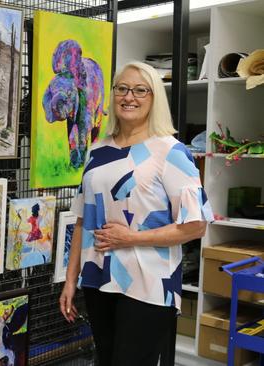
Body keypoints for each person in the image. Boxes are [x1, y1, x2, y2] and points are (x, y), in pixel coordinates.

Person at [59, 61, 213, 366]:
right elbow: (80, 220)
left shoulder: (171, 151)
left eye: (141, 90)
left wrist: (132, 237)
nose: (130, 97)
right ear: (113, 94)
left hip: (148, 282)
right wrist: (69, 279)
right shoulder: (97, 151)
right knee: (106, 359)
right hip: (98, 278)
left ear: (154, 98)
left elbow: (196, 227)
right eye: (122, 88)